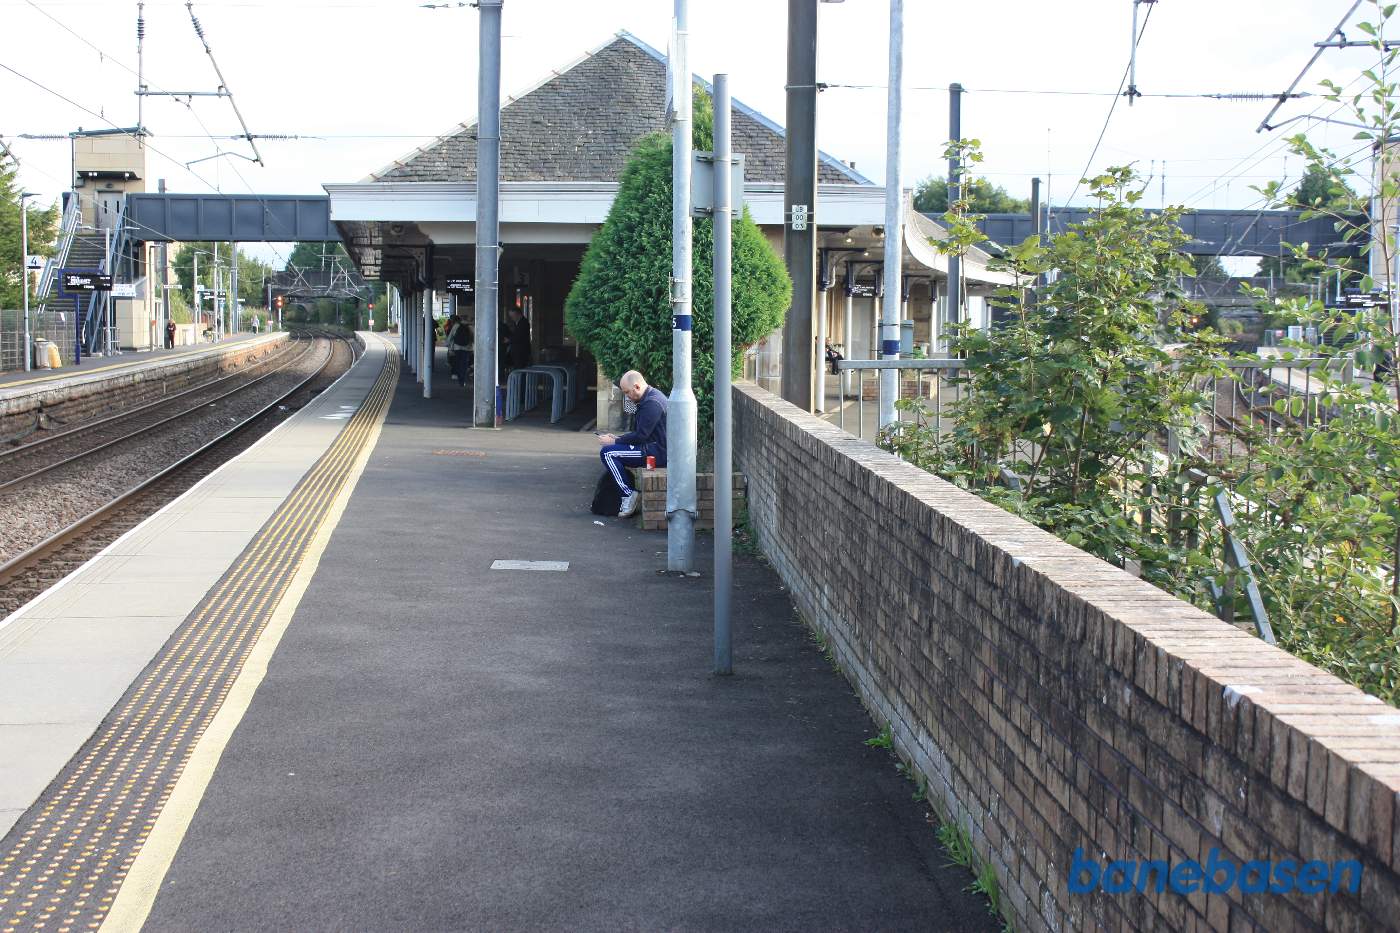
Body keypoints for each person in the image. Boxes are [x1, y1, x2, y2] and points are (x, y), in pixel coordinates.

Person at [598, 370, 667, 518]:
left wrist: (615, 441)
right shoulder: (651, 397)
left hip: (655, 452)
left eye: (627, 392)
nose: (627, 396)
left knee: (608, 453)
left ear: (636, 386)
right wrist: (617, 438)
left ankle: (628, 494)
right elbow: (641, 434)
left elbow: (641, 435)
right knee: (610, 450)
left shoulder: (652, 404)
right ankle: (628, 493)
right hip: (652, 447)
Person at [505, 307, 532, 371]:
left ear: (517, 314)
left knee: (520, 370)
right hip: (518, 352)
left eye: (512, 316)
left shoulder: (524, 323)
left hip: (521, 352)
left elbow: (520, 337)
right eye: (511, 316)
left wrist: (509, 340)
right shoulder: (518, 323)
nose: (512, 318)